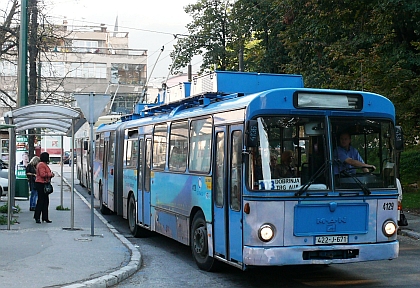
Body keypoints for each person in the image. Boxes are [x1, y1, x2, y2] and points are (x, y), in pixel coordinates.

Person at [34, 152, 54, 224]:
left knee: (45, 201)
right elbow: (42, 174)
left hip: (43, 183)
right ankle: (38, 217)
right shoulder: (42, 164)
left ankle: (45, 217)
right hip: (41, 184)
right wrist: (50, 174)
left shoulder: (43, 164)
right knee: (41, 201)